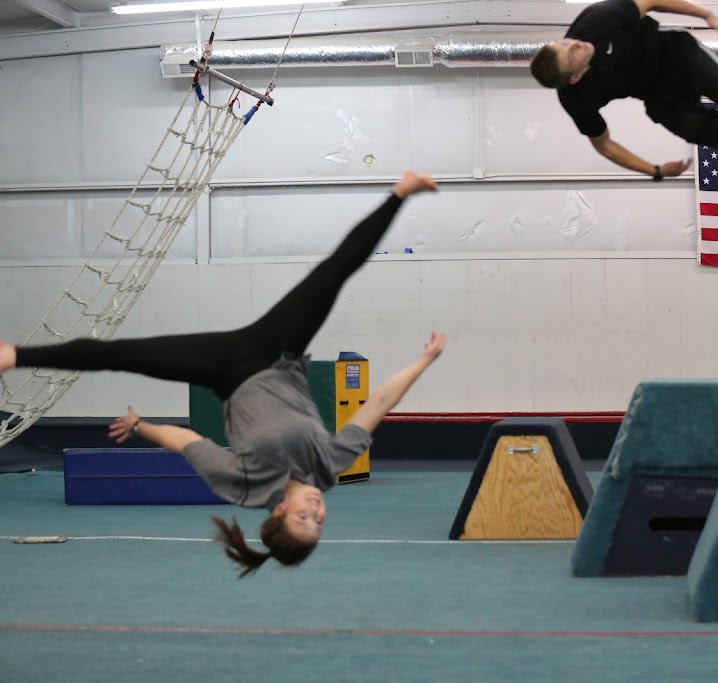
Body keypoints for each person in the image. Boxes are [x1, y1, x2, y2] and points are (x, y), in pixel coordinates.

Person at [0, 171, 444, 578]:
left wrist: (141, 426)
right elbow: (379, 403)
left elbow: (188, 443)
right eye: (319, 524)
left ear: (277, 514)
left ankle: (12, 355)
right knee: (333, 275)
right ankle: (400, 192)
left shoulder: (244, 488)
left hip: (225, 369)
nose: (317, 513)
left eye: (302, 519)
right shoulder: (329, 465)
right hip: (277, 350)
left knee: (120, 354)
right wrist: (423, 363)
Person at [529, 0, 718, 180]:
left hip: (673, 50)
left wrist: (706, 15)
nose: (575, 43)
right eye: (571, 53)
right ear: (574, 78)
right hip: (655, 92)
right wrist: (653, 170)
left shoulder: (593, 23)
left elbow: (649, 0)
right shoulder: (576, 100)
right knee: (697, 131)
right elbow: (604, 145)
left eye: (564, 42)